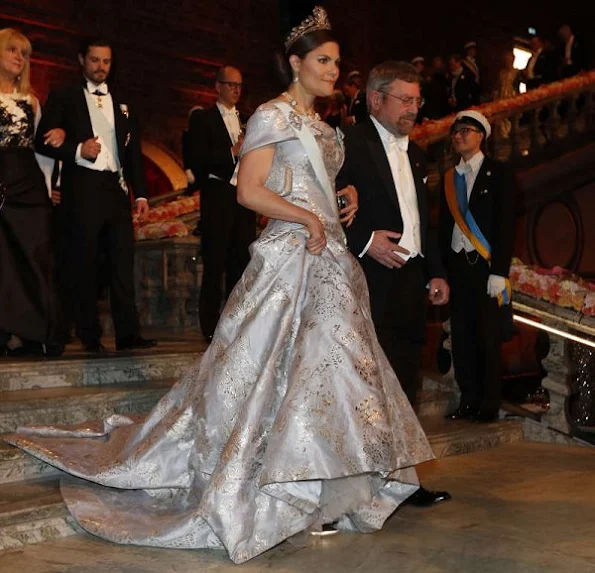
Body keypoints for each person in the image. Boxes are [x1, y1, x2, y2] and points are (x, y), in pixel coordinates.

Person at [6, 7, 436, 564]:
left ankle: (325, 489)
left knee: (332, 375)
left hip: (330, 261)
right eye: (323, 61)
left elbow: (316, 182)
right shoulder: (272, 116)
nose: (334, 70)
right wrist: (305, 218)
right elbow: (250, 192)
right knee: (274, 372)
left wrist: (341, 199)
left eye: (336, 62)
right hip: (290, 256)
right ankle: (283, 485)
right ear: (295, 63)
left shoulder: (327, 128)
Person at [337, 60, 451, 507]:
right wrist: (364, 241)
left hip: (410, 281)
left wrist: (435, 270)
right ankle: (365, 485)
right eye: (406, 100)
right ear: (375, 99)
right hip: (369, 278)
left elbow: (425, 219)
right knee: (367, 385)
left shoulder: (417, 152)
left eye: (416, 100)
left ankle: (403, 483)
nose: (413, 109)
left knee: (405, 384)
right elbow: (321, 203)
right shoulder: (348, 142)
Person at [34, 37, 156, 353]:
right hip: (82, 189)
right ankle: (89, 334)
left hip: (116, 190)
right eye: (95, 60)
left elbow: (133, 153)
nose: (100, 67)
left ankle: (128, 333)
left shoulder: (123, 102)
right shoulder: (64, 97)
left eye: (106, 61)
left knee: (121, 262)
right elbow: (41, 142)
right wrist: (76, 148)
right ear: (81, 60)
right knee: (84, 264)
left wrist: (141, 195)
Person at [439, 111, 516, 423]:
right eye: (456, 132)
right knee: (462, 336)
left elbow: (505, 225)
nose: (460, 136)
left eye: (467, 131)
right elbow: (443, 227)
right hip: (459, 267)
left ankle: (488, 403)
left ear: (481, 135)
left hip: (486, 269)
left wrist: (499, 271)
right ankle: (468, 399)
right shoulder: (449, 178)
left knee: (487, 336)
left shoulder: (498, 173)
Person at [0, 28, 64, 357]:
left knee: (36, 256)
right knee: (4, 261)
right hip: (0, 179)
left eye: (24, 54)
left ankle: (33, 333)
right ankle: (7, 332)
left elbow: (40, 151)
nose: (19, 58)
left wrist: (50, 186)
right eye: (12, 50)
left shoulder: (32, 101)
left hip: (28, 182)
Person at [187, 66, 256, 341]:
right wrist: (231, 151)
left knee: (241, 261)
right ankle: (210, 326)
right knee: (215, 262)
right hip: (217, 196)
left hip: (245, 196)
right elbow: (197, 160)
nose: (236, 90)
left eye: (239, 85)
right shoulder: (203, 119)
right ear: (217, 87)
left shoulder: (247, 119)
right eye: (230, 85)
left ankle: (237, 322)